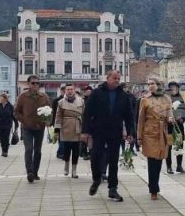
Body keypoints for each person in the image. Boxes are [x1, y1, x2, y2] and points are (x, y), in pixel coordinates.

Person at [81, 70, 134, 202]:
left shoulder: (123, 95)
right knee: (95, 156)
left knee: (113, 160)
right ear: (108, 78)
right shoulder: (97, 92)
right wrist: (85, 132)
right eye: (114, 78)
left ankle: (113, 188)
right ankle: (97, 178)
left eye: (118, 78)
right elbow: (87, 113)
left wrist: (130, 132)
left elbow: (129, 116)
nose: (116, 80)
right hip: (98, 130)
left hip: (115, 131)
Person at [137, 77, 175, 200]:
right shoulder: (145, 100)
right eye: (149, 84)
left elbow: (170, 115)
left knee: (159, 160)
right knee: (152, 161)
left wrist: (170, 119)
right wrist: (139, 137)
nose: (150, 86)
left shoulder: (167, 99)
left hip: (162, 133)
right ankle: (153, 189)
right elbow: (141, 120)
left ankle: (155, 184)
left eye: (152, 84)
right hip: (149, 132)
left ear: (159, 85)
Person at [14, 75, 52, 183]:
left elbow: (49, 110)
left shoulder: (44, 96)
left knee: (38, 151)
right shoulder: (23, 97)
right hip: (27, 127)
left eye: (37, 83)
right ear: (28, 84)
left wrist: (48, 120)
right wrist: (24, 120)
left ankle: (35, 172)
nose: (35, 85)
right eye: (33, 83)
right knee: (29, 149)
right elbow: (16, 112)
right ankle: (29, 172)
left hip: (40, 127)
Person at [54, 84, 85, 178]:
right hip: (66, 127)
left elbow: (85, 114)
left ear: (74, 90)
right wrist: (56, 130)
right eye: (68, 89)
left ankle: (74, 170)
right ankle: (66, 166)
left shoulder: (81, 101)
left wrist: (86, 128)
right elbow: (58, 116)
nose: (70, 91)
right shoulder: (61, 102)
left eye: (71, 89)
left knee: (76, 150)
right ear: (65, 91)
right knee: (66, 150)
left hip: (77, 126)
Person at [166, 81, 185, 174]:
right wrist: (169, 118)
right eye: (172, 88)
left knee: (179, 145)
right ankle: (169, 166)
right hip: (169, 126)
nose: (174, 89)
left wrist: (183, 118)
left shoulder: (181, 97)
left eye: (176, 88)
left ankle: (179, 165)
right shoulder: (166, 98)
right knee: (169, 146)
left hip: (179, 126)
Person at [0, 93, 19, 157]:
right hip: (0, 125)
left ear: (5, 99)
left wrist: (16, 124)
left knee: (6, 138)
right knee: (1, 139)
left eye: (1, 98)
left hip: (7, 125)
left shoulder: (10, 106)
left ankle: (5, 151)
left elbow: (13, 116)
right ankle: (3, 150)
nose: (0, 99)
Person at [51, 86, 66, 160]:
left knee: (64, 139)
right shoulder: (56, 100)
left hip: (67, 123)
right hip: (58, 122)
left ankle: (60, 152)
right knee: (61, 138)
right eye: (64, 91)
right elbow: (53, 112)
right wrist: (52, 123)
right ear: (61, 91)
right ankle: (61, 153)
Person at [80, 85, 93, 160]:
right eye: (84, 91)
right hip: (83, 121)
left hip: (91, 122)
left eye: (86, 90)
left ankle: (91, 153)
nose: (84, 92)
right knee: (84, 138)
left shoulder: (93, 99)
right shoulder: (82, 100)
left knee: (90, 138)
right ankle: (84, 152)